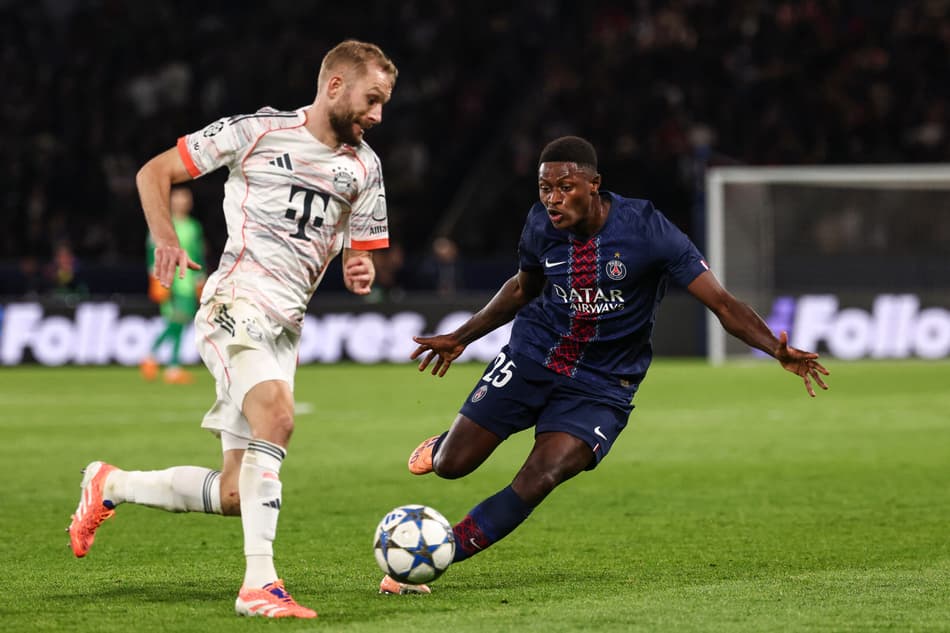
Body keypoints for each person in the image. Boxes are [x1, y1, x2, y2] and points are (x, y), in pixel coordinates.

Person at [67, 40, 398, 619]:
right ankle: (259, 586)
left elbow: (359, 250)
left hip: (284, 329)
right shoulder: (256, 132)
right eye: (372, 100)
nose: (377, 116)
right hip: (235, 305)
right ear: (336, 86)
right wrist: (166, 239)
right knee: (279, 419)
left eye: (384, 104)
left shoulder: (365, 168)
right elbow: (154, 172)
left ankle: (109, 483)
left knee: (232, 494)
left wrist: (357, 264)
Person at [406, 136, 830, 579]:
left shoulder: (648, 230)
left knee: (542, 475)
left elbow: (721, 303)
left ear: (594, 185)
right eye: (544, 188)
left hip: (603, 385)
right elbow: (521, 289)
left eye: (565, 187)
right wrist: (461, 337)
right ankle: (446, 443)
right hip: (533, 356)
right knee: (452, 466)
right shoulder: (539, 226)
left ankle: (441, 551)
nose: (552, 199)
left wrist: (772, 347)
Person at [140, 186, 205, 384]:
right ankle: (160, 360)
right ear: (171, 201)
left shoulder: (194, 226)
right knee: (177, 319)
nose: (182, 202)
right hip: (170, 280)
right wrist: (155, 277)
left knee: (179, 322)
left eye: (186, 199)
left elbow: (198, 252)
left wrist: (201, 276)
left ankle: (165, 364)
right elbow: (152, 250)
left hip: (188, 280)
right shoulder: (163, 224)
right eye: (178, 199)